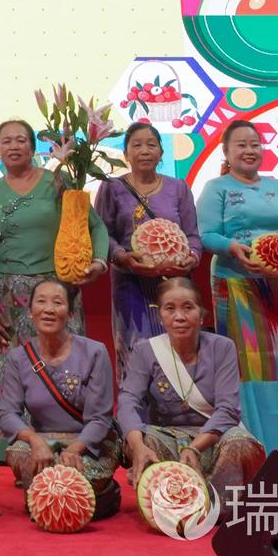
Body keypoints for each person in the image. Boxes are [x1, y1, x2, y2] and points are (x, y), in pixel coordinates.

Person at [0, 119, 108, 462]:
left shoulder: (58, 182)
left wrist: (99, 262)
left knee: (66, 365)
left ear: (34, 148)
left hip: (55, 291)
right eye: (6, 141)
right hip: (6, 297)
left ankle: (75, 446)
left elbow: (95, 226)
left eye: (21, 140)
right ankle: (12, 449)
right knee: (8, 370)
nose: (14, 146)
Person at [196, 119, 278, 452]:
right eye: (241, 144)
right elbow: (206, 235)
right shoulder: (216, 188)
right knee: (247, 365)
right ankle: (253, 449)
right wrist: (232, 247)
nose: (249, 150)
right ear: (226, 151)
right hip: (236, 285)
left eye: (255, 144)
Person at [119, 277, 266, 492]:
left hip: (213, 438)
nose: (179, 316)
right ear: (160, 316)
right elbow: (127, 401)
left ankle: (218, 503)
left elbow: (228, 409)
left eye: (188, 307)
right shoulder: (145, 351)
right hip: (168, 438)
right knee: (145, 440)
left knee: (240, 443)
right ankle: (170, 501)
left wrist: (194, 447)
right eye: (170, 308)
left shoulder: (222, 347)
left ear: (201, 314)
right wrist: (138, 446)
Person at [0, 278, 121, 521]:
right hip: (43, 442)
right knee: (22, 455)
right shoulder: (18, 358)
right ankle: (53, 499)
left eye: (57, 302)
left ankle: (102, 494)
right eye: (41, 302)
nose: (49, 309)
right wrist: (34, 440)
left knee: (73, 475)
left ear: (71, 313)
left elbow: (100, 418)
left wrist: (76, 448)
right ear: (30, 311)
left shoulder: (95, 352)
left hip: (91, 442)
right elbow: (7, 413)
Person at [93, 124, 200, 379]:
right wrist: (122, 256)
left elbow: (193, 236)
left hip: (175, 284)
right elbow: (101, 233)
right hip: (130, 284)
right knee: (136, 351)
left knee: (177, 351)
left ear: (161, 153)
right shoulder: (111, 187)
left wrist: (191, 259)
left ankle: (178, 404)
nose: (145, 150)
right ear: (126, 154)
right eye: (137, 145)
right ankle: (136, 404)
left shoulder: (179, 188)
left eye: (152, 145)